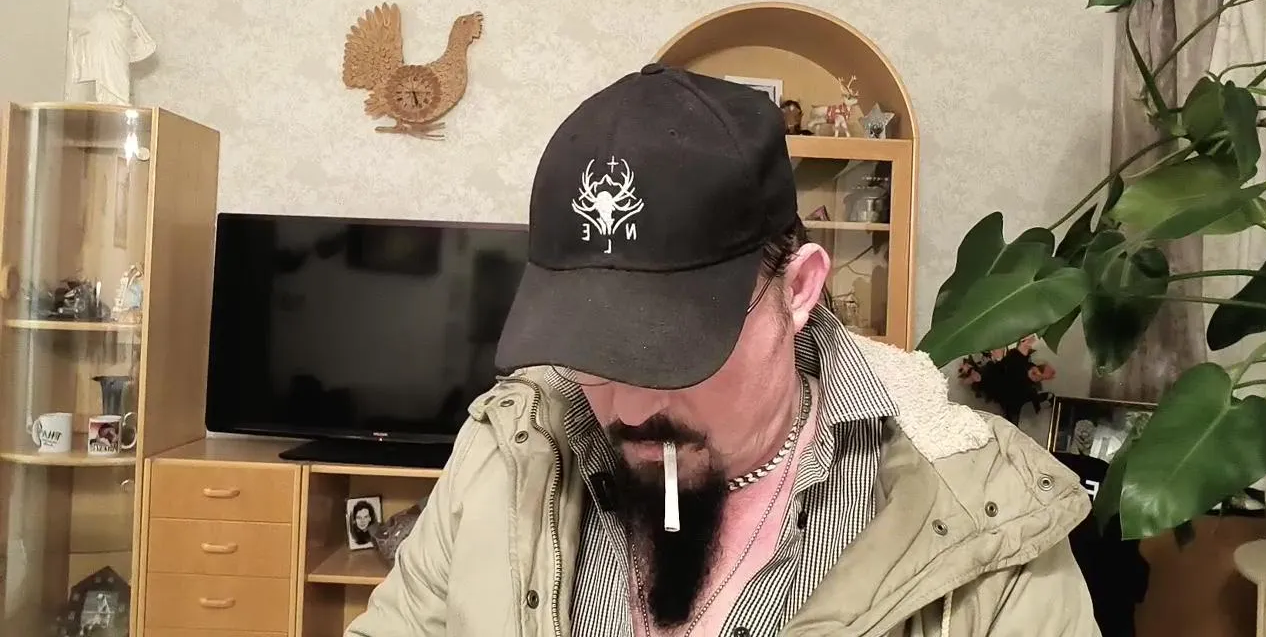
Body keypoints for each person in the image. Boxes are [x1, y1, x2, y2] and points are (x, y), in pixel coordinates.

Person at [345, 64, 1101, 636]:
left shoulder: (984, 519)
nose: (629, 407)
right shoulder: (507, 449)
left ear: (798, 288)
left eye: (675, 352)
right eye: (592, 352)